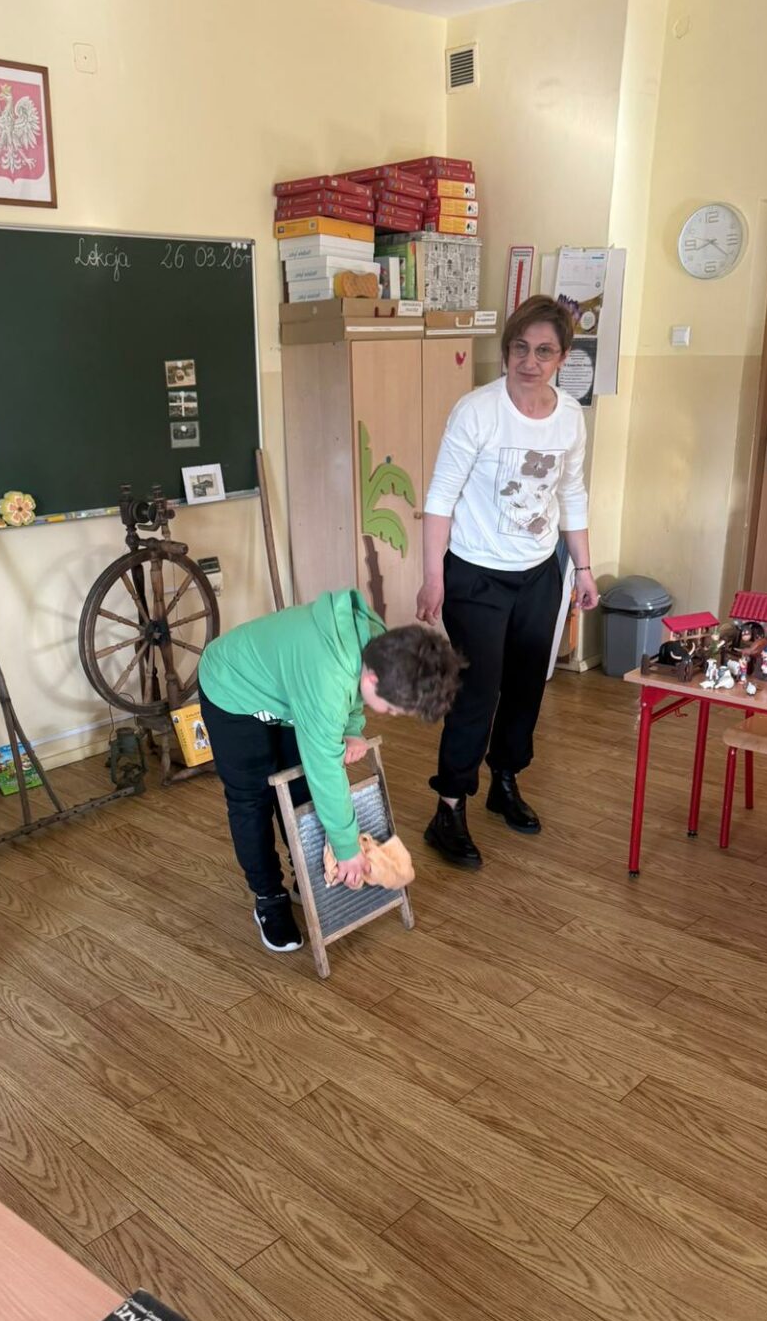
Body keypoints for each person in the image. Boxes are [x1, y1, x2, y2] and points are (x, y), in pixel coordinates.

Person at [416, 294, 599, 869]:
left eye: (544, 351)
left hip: (540, 573)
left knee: (526, 686)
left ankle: (505, 780)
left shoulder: (570, 418)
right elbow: (441, 498)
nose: (530, 361)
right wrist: (433, 578)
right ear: (506, 351)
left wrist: (583, 568)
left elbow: (571, 491)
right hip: (475, 574)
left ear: (562, 357)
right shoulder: (477, 411)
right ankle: (449, 809)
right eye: (520, 348)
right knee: (478, 690)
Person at [198, 589, 463, 952]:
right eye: (392, 709)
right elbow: (324, 767)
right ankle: (269, 898)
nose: (391, 715)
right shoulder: (325, 682)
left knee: (301, 790)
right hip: (233, 687)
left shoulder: (378, 641)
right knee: (252, 799)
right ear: (373, 681)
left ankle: (305, 875)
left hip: (289, 686)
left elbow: (351, 691)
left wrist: (352, 728)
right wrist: (347, 846)